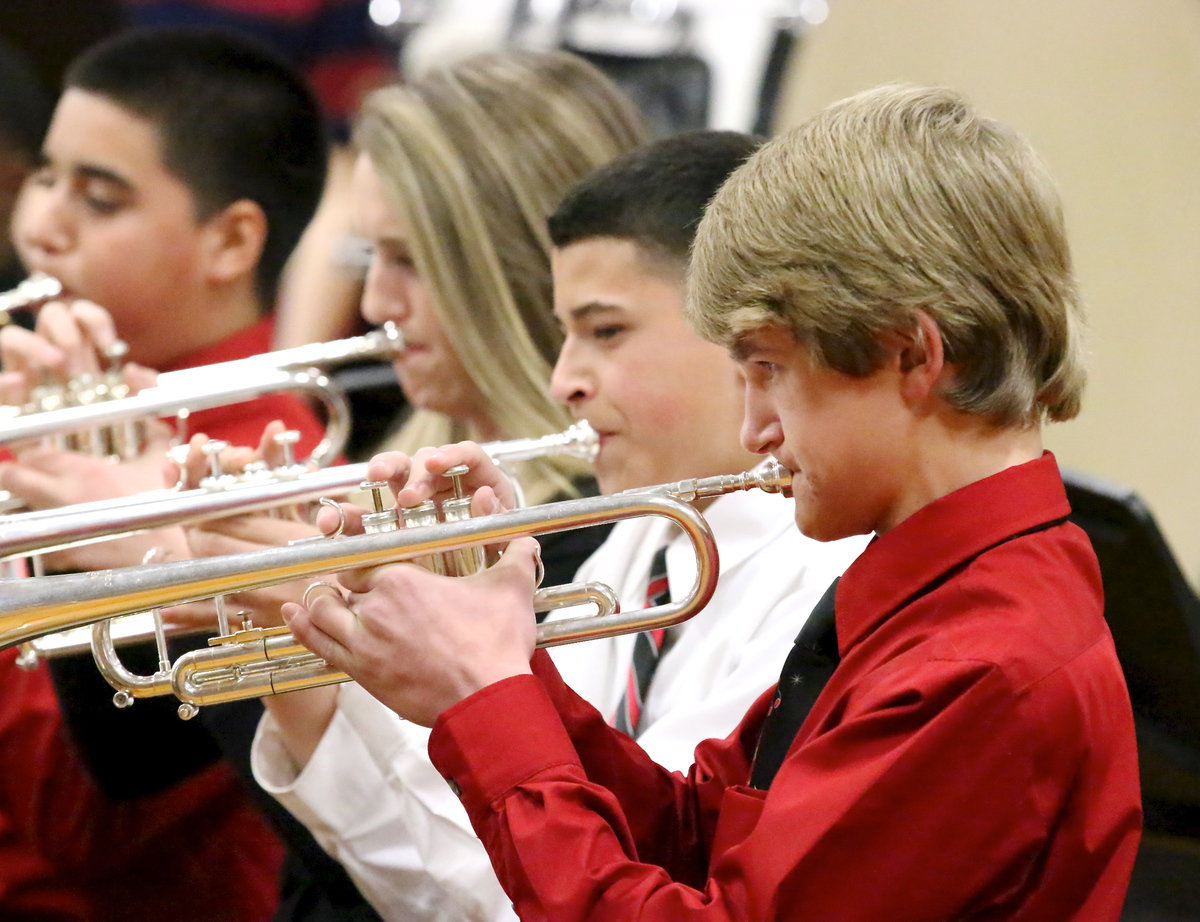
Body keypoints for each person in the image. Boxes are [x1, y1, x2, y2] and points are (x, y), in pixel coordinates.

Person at [287, 84, 1143, 920]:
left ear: (913, 355)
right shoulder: (931, 588)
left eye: (770, 369)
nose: (753, 426)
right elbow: (691, 834)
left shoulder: (981, 665)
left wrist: (482, 697)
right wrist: (502, 656)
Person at [240, 130, 866, 920]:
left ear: (742, 335)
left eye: (605, 332)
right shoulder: (636, 542)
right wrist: (313, 661)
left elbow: (579, 886)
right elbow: (453, 884)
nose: (563, 380)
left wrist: (479, 684)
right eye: (565, 332)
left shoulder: (823, 580)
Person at [0, 25, 367, 922]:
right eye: (47, 176)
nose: (43, 222)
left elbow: (89, 826)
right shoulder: (35, 407)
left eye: (98, 199)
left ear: (231, 241)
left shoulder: (275, 469)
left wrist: (67, 530)